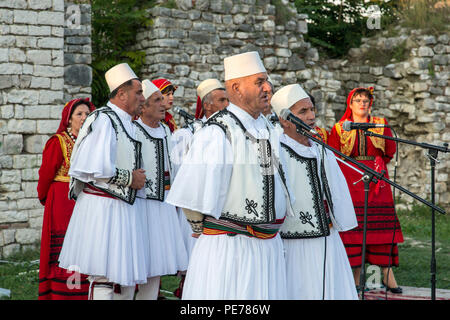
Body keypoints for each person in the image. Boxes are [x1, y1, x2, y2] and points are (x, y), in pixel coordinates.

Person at [166, 51, 293, 300]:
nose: (268, 88)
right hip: (231, 249)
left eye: (266, 81)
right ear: (236, 87)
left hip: (268, 248)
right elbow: (192, 197)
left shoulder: (267, 127)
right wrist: (211, 229)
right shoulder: (217, 130)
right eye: (259, 82)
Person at [58, 63, 150, 300]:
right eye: (138, 92)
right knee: (105, 277)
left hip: (122, 208)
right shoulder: (103, 119)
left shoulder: (126, 121)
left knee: (123, 276)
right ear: (121, 94)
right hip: (104, 208)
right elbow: (93, 168)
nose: (143, 97)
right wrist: (131, 178)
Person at [271, 84, 358, 300]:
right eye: (303, 111)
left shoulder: (319, 146)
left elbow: (336, 188)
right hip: (293, 242)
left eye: (312, 109)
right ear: (284, 119)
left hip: (328, 237)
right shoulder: (275, 149)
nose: (311, 116)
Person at [328, 87, 404, 293]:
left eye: (366, 100)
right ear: (350, 104)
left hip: (377, 180)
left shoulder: (380, 124)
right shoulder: (340, 128)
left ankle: (388, 277)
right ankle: (354, 278)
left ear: (371, 104)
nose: (362, 104)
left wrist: (376, 164)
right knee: (355, 228)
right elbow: (334, 153)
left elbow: (389, 150)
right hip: (351, 177)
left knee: (380, 227)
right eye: (358, 100)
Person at [169, 78, 229, 298]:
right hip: (195, 204)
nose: (227, 105)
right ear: (208, 105)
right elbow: (178, 169)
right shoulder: (188, 133)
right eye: (222, 100)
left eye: (228, 100)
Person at [132, 79, 189, 300]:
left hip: (163, 205)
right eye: (157, 100)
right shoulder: (134, 131)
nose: (163, 104)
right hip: (141, 205)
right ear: (143, 106)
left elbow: (173, 167)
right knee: (139, 262)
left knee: (157, 264)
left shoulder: (166, 130)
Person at [37, 98, 95, 300]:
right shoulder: (58, 141)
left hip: (86, 201)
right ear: (69, 119)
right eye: (79, 114)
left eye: (87, 114)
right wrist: (48, 199)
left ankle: (83, 291)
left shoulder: (92, 142)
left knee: (84, 245)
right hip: (62, 202)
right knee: (64, 248)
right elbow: (45, 175)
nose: (84, 118)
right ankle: (63, 294)